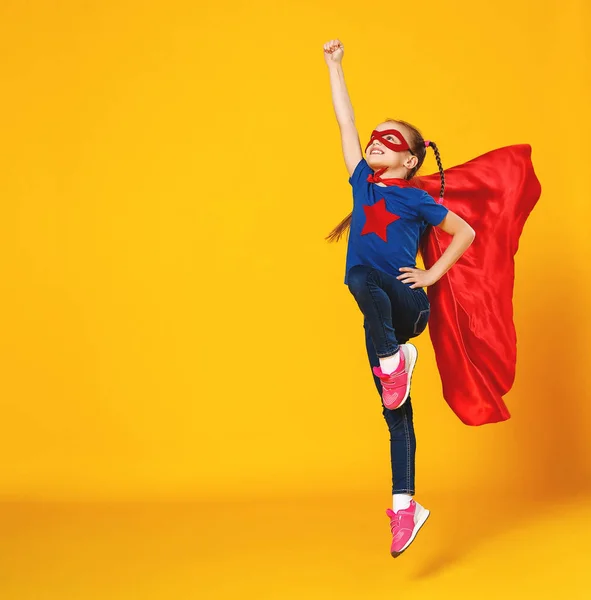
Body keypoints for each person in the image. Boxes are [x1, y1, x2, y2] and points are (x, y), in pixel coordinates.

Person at [322, 38, 541, 558]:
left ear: (410, 158)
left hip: (406, 303)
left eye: (389, 139)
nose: (374, 141)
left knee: (359, 278)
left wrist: (433, 276)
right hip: (381, 321)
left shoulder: (416, 199)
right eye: (375, 138)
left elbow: (465, 233)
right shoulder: (364, 185)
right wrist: (335, 67)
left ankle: (398, 359)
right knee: (394, 413)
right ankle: (405, 507)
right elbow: (345, 124)